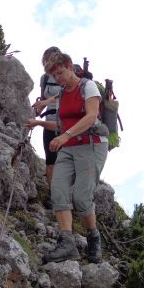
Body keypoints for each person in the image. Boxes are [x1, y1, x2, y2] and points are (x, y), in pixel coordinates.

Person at [26, 52, 108, 263]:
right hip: (68, 147)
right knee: (58, 191)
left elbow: (90, 117)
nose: (59, 79)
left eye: (61, 73)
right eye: (55, 76)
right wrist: (39, 123)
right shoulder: (61, 95)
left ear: (70, 66)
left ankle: (93, 236)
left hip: (91, 146)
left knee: (81, 198)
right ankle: (67, 243)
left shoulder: (87, 87)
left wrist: (65, 136)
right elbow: (62, 125)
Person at [31, 46, 62, 187]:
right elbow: (44, 99)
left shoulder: (68, 74)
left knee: (66, 162)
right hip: (50, 123)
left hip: (67, 123)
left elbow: (66, 94)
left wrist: (45, 102)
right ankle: (54, 196)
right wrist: (37, 110)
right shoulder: (44, 78)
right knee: (50, 161)